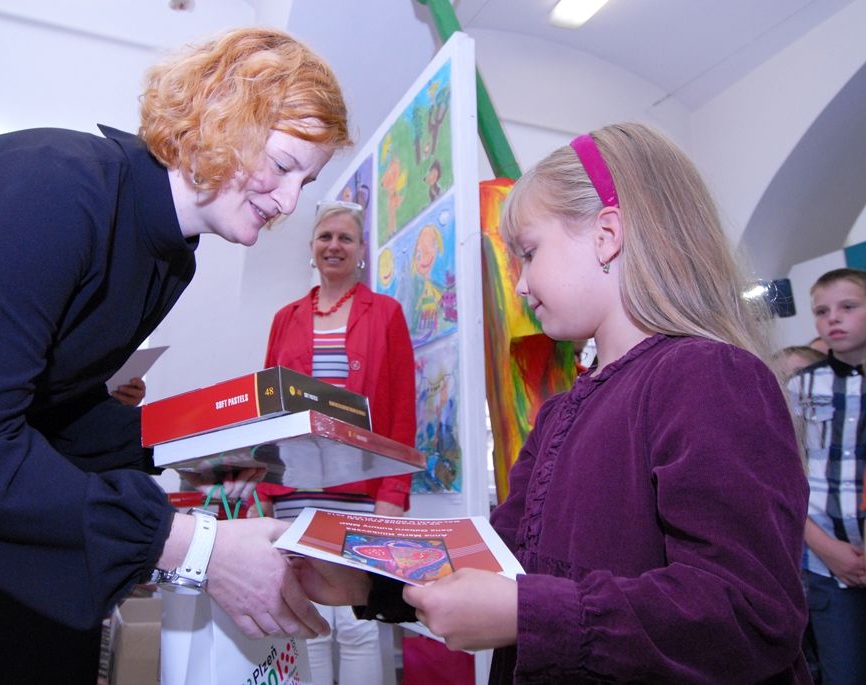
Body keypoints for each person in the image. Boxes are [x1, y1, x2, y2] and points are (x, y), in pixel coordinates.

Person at [0, 27, 350, 684]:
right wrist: (200, 550)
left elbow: (52, 406)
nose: (288, 202)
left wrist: (215, 453)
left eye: (305, 181)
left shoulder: (169, 255)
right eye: (283, 165)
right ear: (215, 114)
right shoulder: (53, 190)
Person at [293, 123, 811, 683]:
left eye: (529, 253)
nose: (518, 284)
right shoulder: (562, 412)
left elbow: (747, 612)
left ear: (606, 235)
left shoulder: (709, 377)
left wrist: (528, 612)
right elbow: (504, 553)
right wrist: (371, 582)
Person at [254, 199, 416, 684]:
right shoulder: (286, 317)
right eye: (325, 237)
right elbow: (268, 408)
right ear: (311, 248)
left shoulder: (385, 313)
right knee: (308, 619)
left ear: (361, 249)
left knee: (358, 624)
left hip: (361, 497)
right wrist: (264, 486)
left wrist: (393, 496)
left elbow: (402, 409)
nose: (334, 246)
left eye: (345, 238)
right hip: (294, 493)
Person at [788, 268, 866, 685]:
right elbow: (785, 474)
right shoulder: (800, 387)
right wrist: (824, 546)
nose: (832, 318)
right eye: (821, 311)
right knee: (844, 672)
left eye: (848, 307)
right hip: (826, 560)